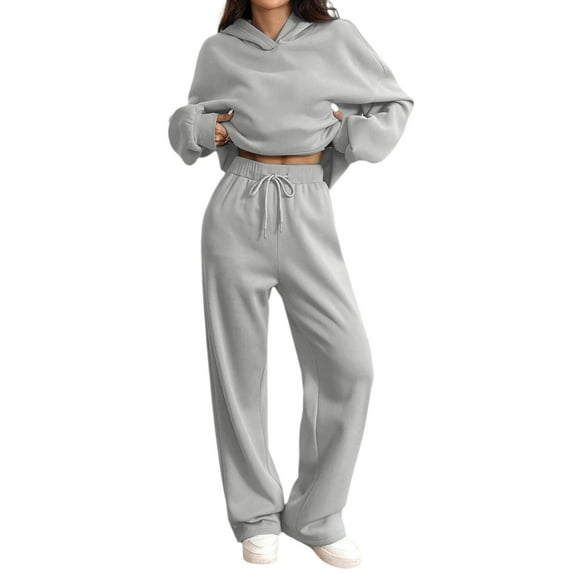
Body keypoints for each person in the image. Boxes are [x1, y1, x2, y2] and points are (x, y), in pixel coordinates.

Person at [168, 0, 414, 567]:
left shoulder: (336, 38)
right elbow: (188, 121)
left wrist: (346, 134)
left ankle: (316, 516)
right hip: (236, 206)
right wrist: (205, 128)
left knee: (349, 365)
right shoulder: (221, 47)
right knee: (238, 371)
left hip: (307, 206)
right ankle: (255, 515)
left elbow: (394, 104)